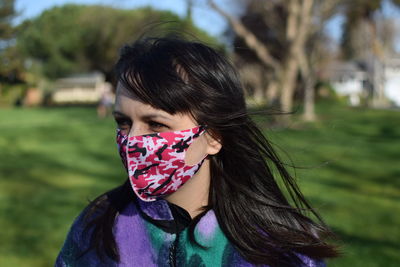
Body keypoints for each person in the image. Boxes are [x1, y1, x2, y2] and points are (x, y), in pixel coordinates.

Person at [55, 36, 339, 267]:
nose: (132, 140)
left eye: (155, 124)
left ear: (214, 136)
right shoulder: (100, 227)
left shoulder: (280, 249)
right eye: (123, 122)